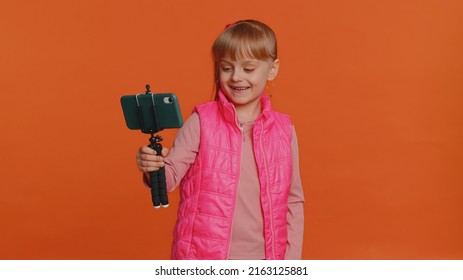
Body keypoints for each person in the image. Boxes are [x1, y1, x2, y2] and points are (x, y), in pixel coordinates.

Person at [136, 19, 304, 260]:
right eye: (226, 68)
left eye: (248, 69)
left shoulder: (284, 130)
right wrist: (153, 167)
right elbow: (169, 177)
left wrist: (291, 261)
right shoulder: (201, 122)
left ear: (273, 69)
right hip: (204, 258)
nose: (236, 77)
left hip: (267, 259)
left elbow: (293, 200)